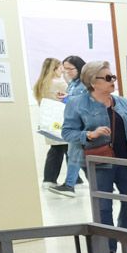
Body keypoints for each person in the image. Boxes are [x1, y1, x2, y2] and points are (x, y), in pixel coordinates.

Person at [63, 60, 127, 253]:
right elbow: (67, 132)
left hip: (126, 160)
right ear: (92, 82)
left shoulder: (124, 103)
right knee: (104, 206)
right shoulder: (76, 104)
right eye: (107, 78)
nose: (113, 81)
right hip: (98, 162)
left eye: (112, 77)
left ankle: (124, 235)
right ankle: (109, 246)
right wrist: (89, 135)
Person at [51, 54, 90, 195]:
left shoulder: (86, 83)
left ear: (79, 67)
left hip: (83, 124)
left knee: (74, 154)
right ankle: (99, 185)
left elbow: (87, 101)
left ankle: (69, 185)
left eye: (70, 69)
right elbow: (73, 101)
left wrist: (70, 98)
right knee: (77, 155)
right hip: (73, 123)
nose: (66, 72)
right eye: (65, 69)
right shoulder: (73, 83)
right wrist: (65, 98)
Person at [33, 58, 72, 190]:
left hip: (50, 122)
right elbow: (73, 94)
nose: (63, 70)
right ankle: (50, 179)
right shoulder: (59, 83)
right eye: (61, 67)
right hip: (61, 121)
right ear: (54, 69)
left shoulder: (41, 84)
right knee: (63, 149)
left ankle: (73, 179)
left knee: (61, 149)